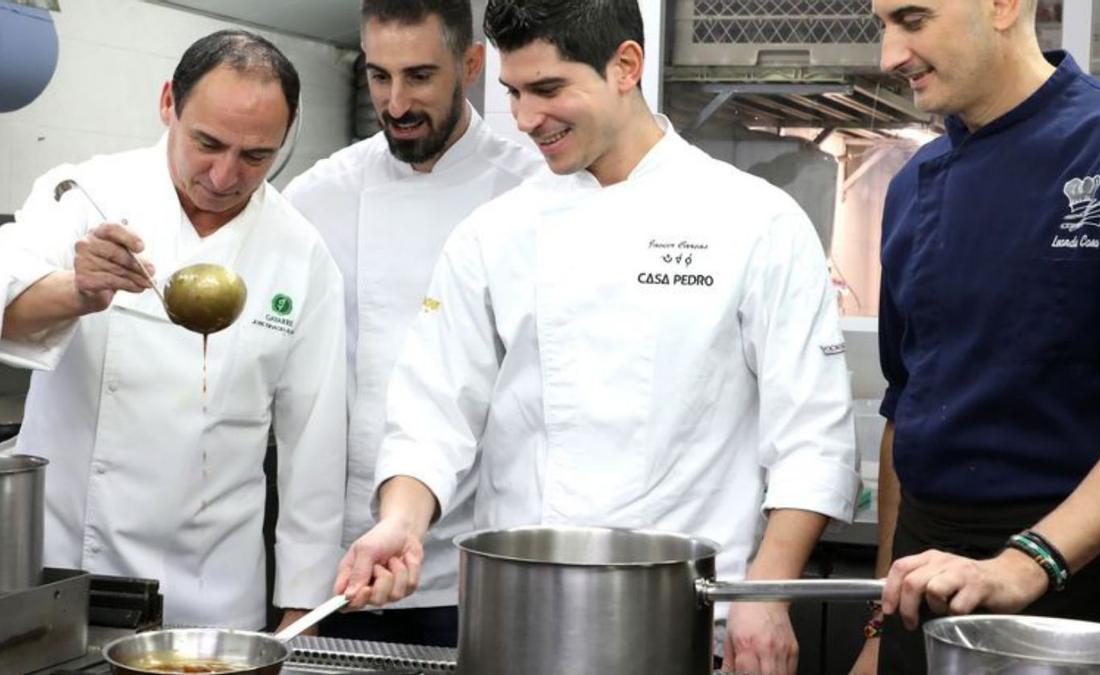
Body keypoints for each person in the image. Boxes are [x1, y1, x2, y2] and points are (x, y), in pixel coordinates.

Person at [335, 1, 860, 673]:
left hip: (691, 620)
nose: (525, 120)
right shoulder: (494, 232)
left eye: (549, 89)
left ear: (625, 66)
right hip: (518, 616)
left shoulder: (755, 222)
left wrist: (767, 588)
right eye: (513, 93)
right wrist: (401, 521)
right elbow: (432, 410)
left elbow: (812, 433)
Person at [849, 1, 1100, 673]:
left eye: (913, 20)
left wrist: (1027, 560)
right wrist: (879, 621)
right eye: (882, 26)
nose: (889, 55)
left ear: (1004, 5)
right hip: (926, 580)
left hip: (1089, 578)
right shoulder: (914, 183)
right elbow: (906, 404)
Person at [0, 30, 347, 631]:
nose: (223, 175)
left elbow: (313, 444)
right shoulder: (87, 194)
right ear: (169, 103)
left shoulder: (303, 253)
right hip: (63, 569)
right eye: (207, 143)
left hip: (212, 591)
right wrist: (77, 290)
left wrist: (302, 610)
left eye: (256, 156)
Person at [284, 0, 541, 647]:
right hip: (348, 563)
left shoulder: (534, 195)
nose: (394, 102)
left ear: (472, 64)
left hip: (480, 565)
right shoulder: (318, 197)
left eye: (420, 76)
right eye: (379, 76)